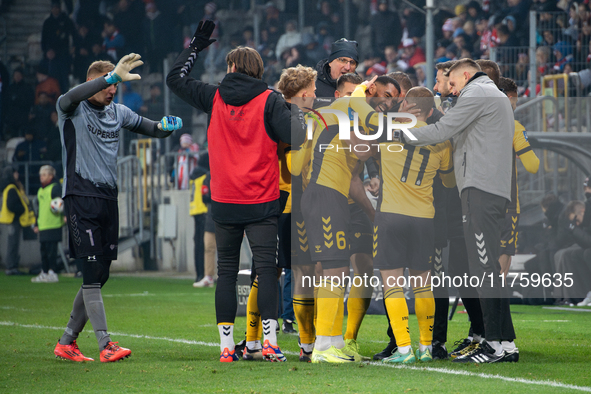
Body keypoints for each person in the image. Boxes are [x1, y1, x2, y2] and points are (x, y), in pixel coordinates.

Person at [167, 21, 305, 362]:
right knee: (266, 269)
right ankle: (270, 343)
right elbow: (298, 135)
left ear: (230, 67)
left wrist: (195, 46)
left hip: (225, 201)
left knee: (226, 274)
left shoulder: (213, 96)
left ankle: (227, 347)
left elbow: (174, 79)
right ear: (258, 70)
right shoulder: (270, 100)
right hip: (262, 200)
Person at [54, 54, 182, 363]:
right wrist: (110, 77)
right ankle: (105, 344)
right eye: (108, 85)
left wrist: (165, 127)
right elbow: (69, 96)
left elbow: (150, 128)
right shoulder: (71, 110)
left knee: (101, 272)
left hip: (109, 199)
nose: (113, 91)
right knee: (91, 273)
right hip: (80, 196)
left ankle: (67, 341)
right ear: (94, 83)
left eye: (116, 85)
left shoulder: (118, 112)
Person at [402, 58, 516, 363]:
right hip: (488, 189)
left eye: (452, 84)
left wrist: (402, 134)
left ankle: (492, 344)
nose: (450, 91)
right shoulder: (491, 95)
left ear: (466, 75)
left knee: (483, 269)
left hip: (480, 190)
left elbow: (443, 129)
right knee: (486, 267)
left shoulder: (477, 93)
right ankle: (504, 344)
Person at [353, 85, 455, 364]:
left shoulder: (390, 127)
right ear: (431, 110)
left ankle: (404, 349)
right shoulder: (441, 138)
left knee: (393, 285)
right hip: (425, 217)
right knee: (424, 285)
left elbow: (359, 113)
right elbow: (448, 180)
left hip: (392, 215)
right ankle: (425, 348)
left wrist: (365, 90)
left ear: (405, 104)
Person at [0, 166, 36, 275]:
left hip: (14, 220)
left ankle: (13, 266)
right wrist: (21, 209)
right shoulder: (11, 188)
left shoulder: (12, 187)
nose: (17, 175)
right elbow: (11, 205)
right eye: (15, 173)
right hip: (13, 220)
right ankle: (11, 267)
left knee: (14, 244)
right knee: (13, 244)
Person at [31, 165, 64, 283]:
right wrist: (36, 223)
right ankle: (44, 272)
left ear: (51, 175)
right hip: (43, 224)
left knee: (51, 251)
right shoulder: (41, 190)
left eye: (44, 175)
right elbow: (38, 209)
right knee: (43, 251)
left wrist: (64, 215)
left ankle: (52, 273)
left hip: (53, 224)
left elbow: (61, 204)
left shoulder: (55, 188)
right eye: (40, 175)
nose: (41, 177)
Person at [315, 38, 359, 103]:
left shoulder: (360, 88)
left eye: (352, 62)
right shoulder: (313, 86)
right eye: (342, 60)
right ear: (330, 62)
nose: (347, 67)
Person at [189, 154, 210, 286]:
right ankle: (203, 274)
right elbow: (206, 194)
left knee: (197, 244)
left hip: (194, 210)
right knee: (204, 245)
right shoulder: (204, 176)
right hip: (203, 211)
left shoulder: (193, 175)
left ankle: (198, 274)